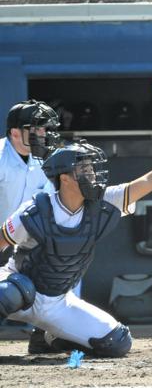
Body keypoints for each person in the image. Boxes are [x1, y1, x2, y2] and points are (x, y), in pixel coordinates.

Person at [0, 113, 152, 357]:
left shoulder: (104, 202)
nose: (92, 173)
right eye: (83, 168)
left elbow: (151, 181)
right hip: (19, 292)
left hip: (57, 302)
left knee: (117, 342)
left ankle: (50, 338)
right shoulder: (36, 209)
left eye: (91, 167)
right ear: (65, 178)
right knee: (6, 293)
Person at [0, 99, 63, 354]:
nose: (42, 134)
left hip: (27, 242)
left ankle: (46, 334)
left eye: (44, 129)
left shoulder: (47, 162)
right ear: (15, 132)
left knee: (66, 257)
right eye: (35, 129)